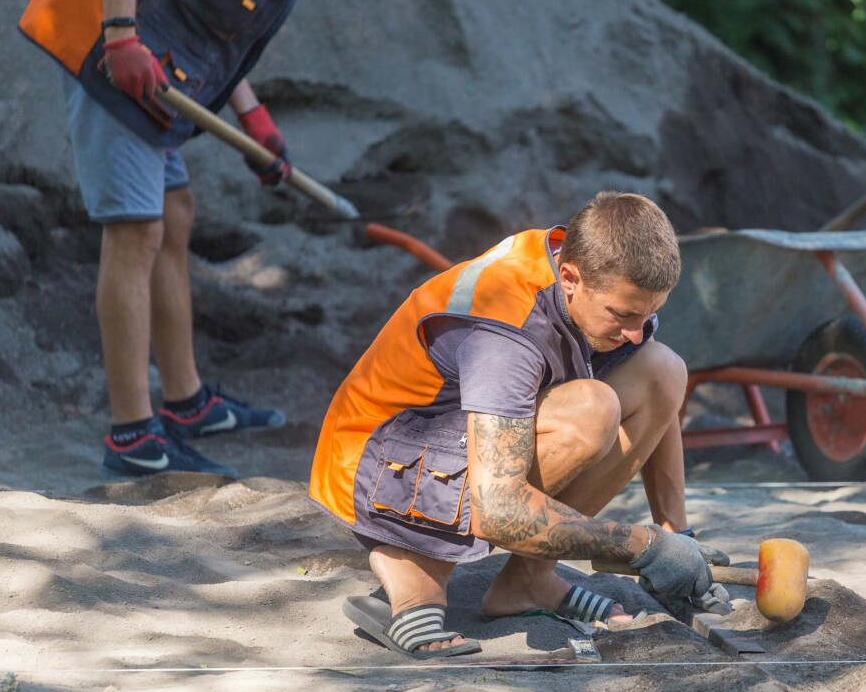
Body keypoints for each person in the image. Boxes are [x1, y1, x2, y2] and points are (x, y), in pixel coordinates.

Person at [309, 192, 729, 659]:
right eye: (624, 315)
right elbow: (499, 509)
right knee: (592, 410)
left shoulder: (591, 278)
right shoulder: (505, 330)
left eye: (649, 312)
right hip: (374, 458)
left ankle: (528, 580)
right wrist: (644, 546)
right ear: (570, 278)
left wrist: (678, 537)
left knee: (663, 369)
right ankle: (415, 566)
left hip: (461, 429)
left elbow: (656, 392)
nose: (636, 329)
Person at [19, 0, 313, 476]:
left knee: (174, 213)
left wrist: (251, 116)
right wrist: (120, 36)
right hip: (105, 54)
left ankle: (187, 402)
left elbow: (209, 19)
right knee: (136, 231)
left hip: (152, 66)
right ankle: (132, 437)